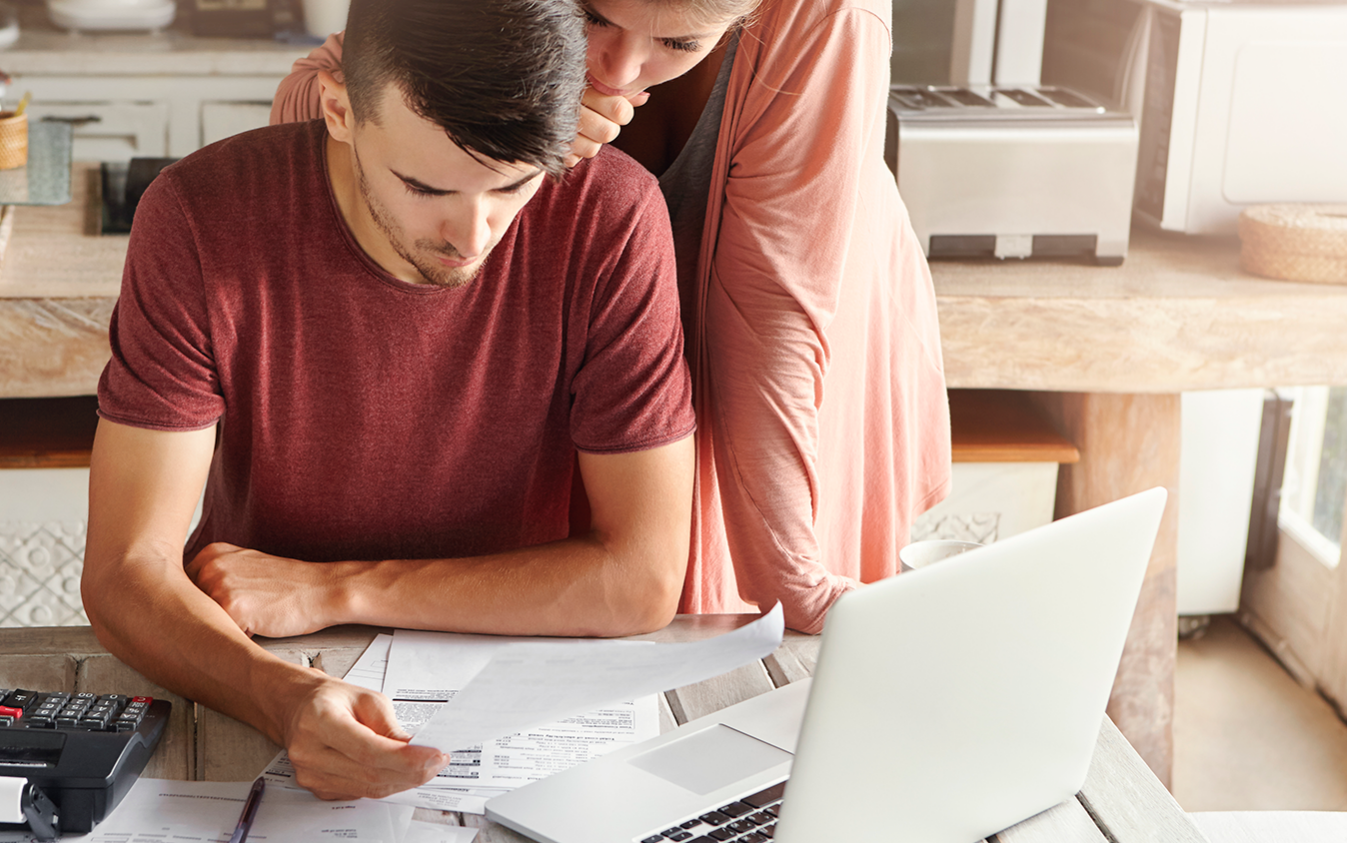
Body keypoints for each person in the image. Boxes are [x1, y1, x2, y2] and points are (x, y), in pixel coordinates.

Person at [83, 0, 697, 801]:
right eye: (426, 186)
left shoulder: (613, 215)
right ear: (340, 109)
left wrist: (334, 587)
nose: (472, 235)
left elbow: (641, 579)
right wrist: (283, 698)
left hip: (519, 685)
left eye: (514, 185)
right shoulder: (201, 215)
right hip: (254, 659)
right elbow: (126, 569)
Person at [272, 0, 952, 634]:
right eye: (593, 15)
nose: (620, 70)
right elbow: (317, 103)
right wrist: (509, 113)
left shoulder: (831, 17)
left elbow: (772, 318)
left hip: (791, 352)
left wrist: (793, 574)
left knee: (722, 628)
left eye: (679, 41)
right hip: (592, 346)